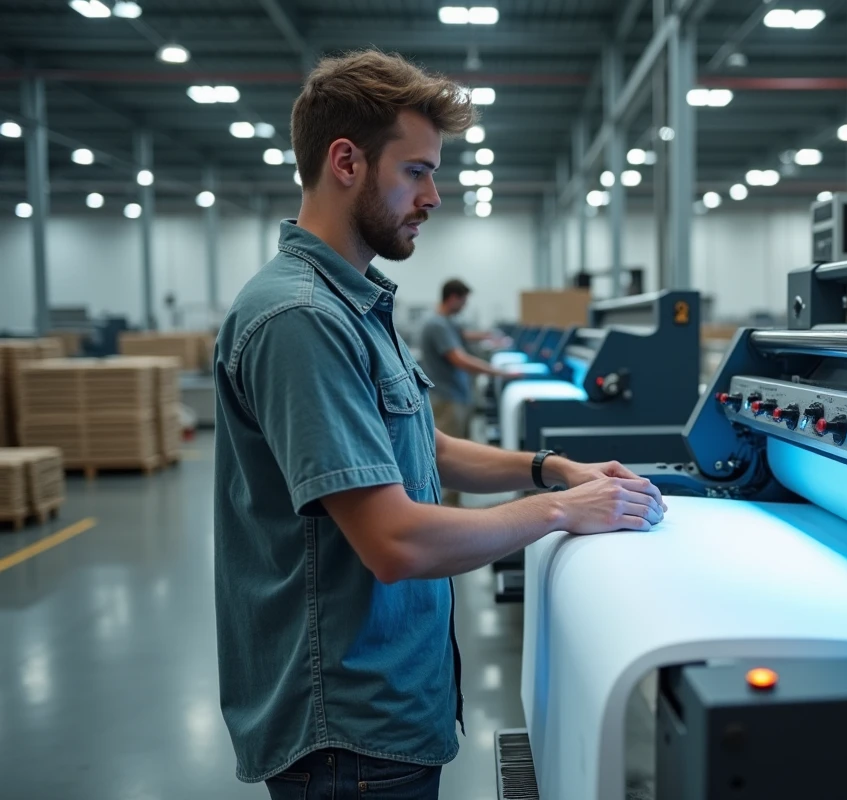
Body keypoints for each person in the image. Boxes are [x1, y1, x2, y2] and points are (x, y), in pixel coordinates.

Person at [211, 49, 667, 800]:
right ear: (346, 162)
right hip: (347, 727)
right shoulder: (302, 318)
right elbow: (393, 542)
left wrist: (551, 469)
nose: (433, 195)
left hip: (382, 696)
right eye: (417, 171)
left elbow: (426, 444)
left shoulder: (353, 302)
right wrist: (559, 511)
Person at [419, 278, 513, 505]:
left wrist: (489, 336)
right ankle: (444, 510)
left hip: (456, 396)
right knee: (448, 456)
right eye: (464, 301)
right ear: (453, 298)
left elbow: (462, 335)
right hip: (447, 399)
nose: (465, 306)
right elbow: (459, 359)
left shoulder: (446, 322)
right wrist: (499, 372)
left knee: (458, 450)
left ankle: (453, 504)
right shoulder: (437, 324)